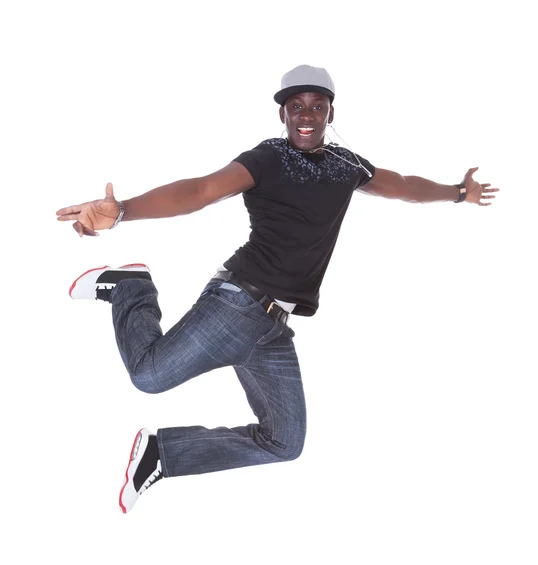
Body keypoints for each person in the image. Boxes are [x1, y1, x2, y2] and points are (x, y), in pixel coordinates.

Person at [56, 64, 499, 513]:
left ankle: (163, 453)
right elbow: (203, 189)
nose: (306, 115)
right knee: (148, 376)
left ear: (330, 113)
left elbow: (404, 187)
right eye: (296, 107)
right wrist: (125, 210)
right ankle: (132, 288)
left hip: (272, 326)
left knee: (285, 442)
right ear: (283, 114)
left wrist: (458, 193)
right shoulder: (267, 158)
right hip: (238, 304)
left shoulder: (348, 165)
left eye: (316, 106)